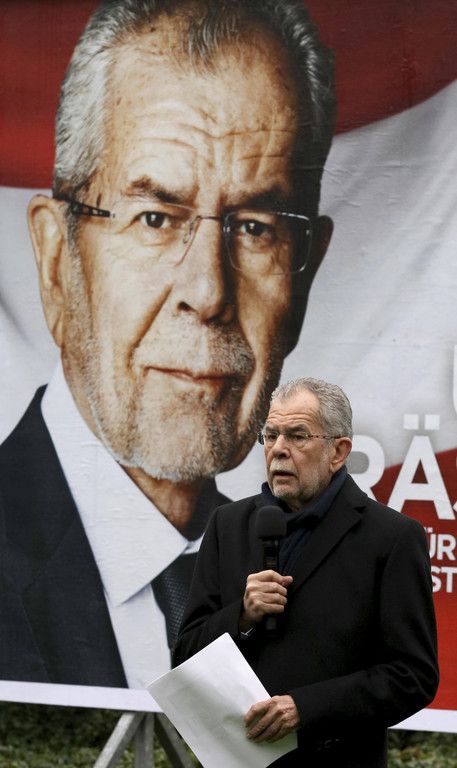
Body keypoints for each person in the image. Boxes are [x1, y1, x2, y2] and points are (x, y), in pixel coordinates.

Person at [0, 1, 336, 687]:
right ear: (57, 262)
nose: (208, 292)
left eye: (255, 227)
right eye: (155, 218)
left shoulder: (307, 577)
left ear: (304, 277)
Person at [174, 377, 439, 768]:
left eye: (298, 436)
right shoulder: (227, 525)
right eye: (271, 435)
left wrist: (305, 709)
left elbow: (412, 676)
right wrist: (242, 617)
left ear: (338, 451)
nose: (279, 449)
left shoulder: (392, 538)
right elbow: (184, 656)